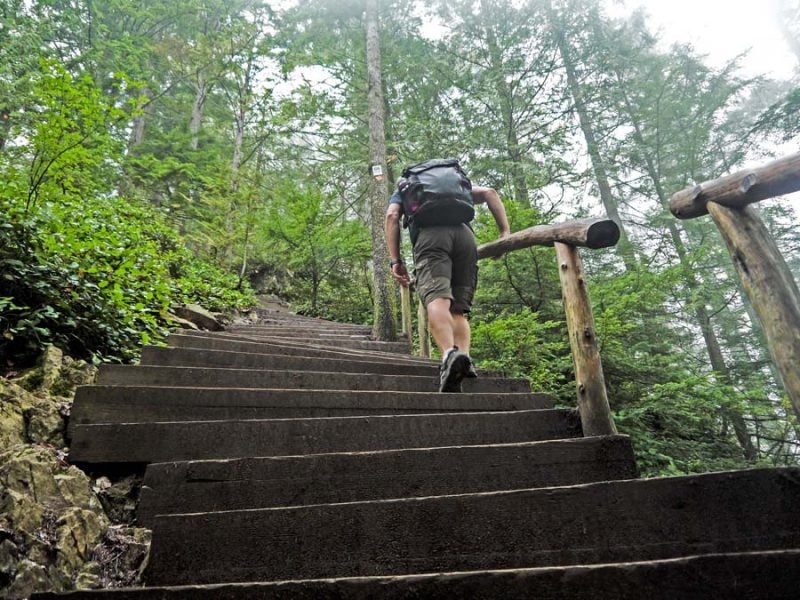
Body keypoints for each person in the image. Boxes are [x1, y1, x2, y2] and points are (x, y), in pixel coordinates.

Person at [385, 177, 510, 393]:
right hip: (465, 238)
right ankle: (464, 357)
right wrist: (505, 234)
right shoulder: (454, 188)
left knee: (437, 298)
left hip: (431, 238)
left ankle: (449, 356)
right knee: (458, 309)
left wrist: (396, 261)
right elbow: (490, 192)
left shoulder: (407, 189)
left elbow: (392, 215)